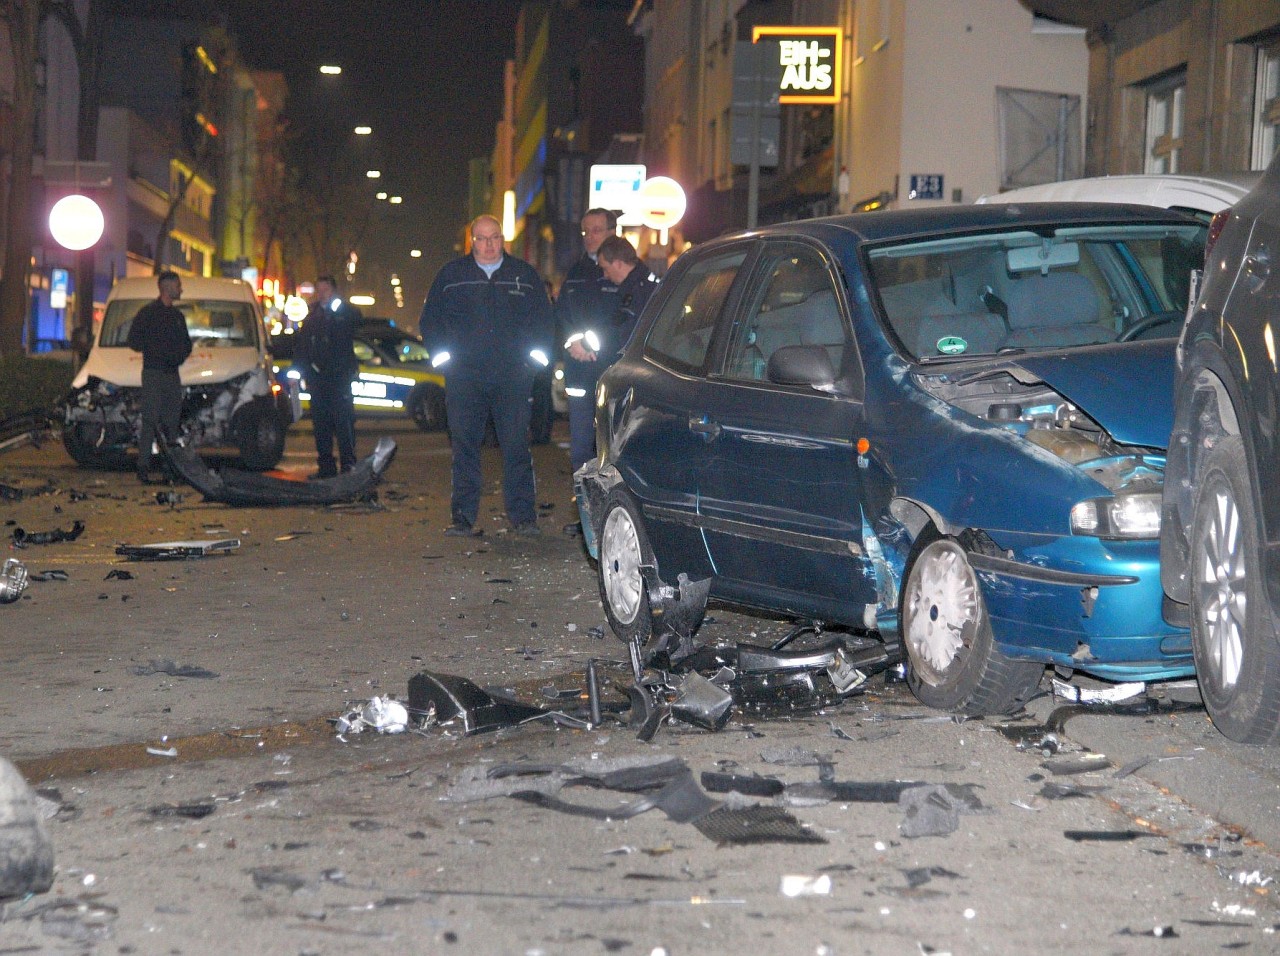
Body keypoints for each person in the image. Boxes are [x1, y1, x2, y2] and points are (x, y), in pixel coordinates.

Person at [419, 214, 553, 537]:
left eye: (494, 237)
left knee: (517, 446)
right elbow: (431, 320)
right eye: (482, 238)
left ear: (503, 239)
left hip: (513, 378)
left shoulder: (523, 276)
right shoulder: (452, 276)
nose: (489, 244)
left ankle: (523, 517)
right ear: (472, 241)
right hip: (465, 379)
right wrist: (444, 361)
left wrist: (533, 364)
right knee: (464, 447)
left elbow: (544, 321)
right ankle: (463, 519)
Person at [559, 208, 619, 474]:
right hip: (580, 372)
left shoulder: (625, 271)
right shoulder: (575, 272)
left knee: (615, 445)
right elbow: (561, 316)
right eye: (586, 231)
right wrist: (575, 342)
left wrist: (593, 345)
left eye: (596, 230)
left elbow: (624, 320)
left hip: (614, 370)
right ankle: (584, 508)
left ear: (612, 232)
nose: (589, 237)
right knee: (581, 448)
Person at [127, 270, 192, 484]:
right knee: (151, 421)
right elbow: (134, 341)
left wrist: (175, 358)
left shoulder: (176, 316)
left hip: (169, 374)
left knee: (170, 422)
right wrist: (160, 352)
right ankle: (144, 467)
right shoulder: (148, 314)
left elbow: (186, 345)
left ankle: (168, 468)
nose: (180, 289)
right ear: (166, 287)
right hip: (155, 373)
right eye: (177, 285)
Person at [295, 275, 360, 478]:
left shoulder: (343, 313)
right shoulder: (313, 314)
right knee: (321, 425)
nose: (322, 294)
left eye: (326, 290)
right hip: (317, 379)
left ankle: (348, 465)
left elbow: (356, 321)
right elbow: (302, 345)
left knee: (343, 423)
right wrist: (299, 370)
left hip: (339, 379)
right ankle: (326, 467)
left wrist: (338, 309)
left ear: (333, 291)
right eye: (319, 290)